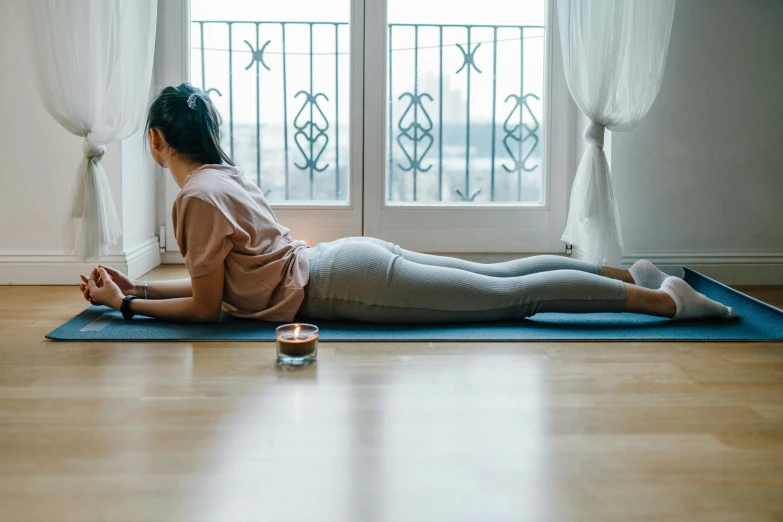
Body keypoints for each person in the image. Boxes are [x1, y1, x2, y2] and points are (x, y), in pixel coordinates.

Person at [79, 84, 735, 324]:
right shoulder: (222, 177)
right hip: (351, 259)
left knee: (514, 300)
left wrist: (127, 306)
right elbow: (209, 286)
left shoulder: (195, 198)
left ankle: (664, 302)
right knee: (499, 275)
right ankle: (631, 275)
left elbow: (205, 308)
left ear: (157, 140)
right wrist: (133, 284)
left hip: (346, 287)